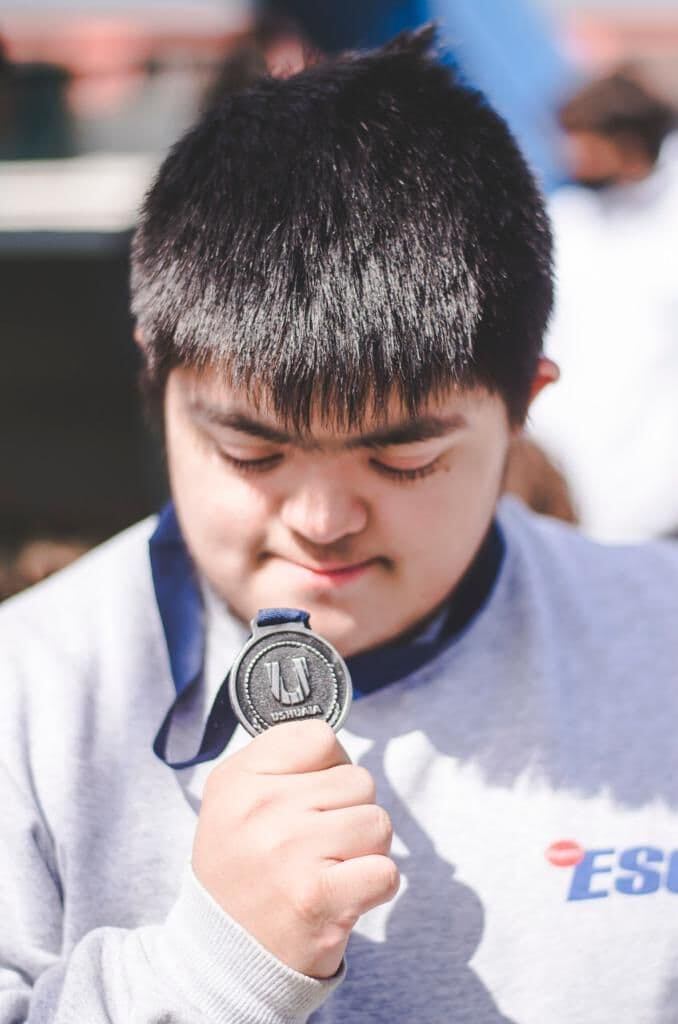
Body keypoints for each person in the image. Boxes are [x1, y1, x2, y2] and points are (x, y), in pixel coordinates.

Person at [2, 30, 678, 1024]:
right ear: (158, 375)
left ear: (526, 404)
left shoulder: (656, 644)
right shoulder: (31, 694)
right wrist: (212, 972)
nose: (322, 522)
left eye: (404, 459)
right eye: (252, 453)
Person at [528, 71, 678, 541]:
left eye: (585, 142)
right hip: (574, 453)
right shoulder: (569, 218)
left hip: (657, 470)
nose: (572, 156)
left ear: (628, 141)